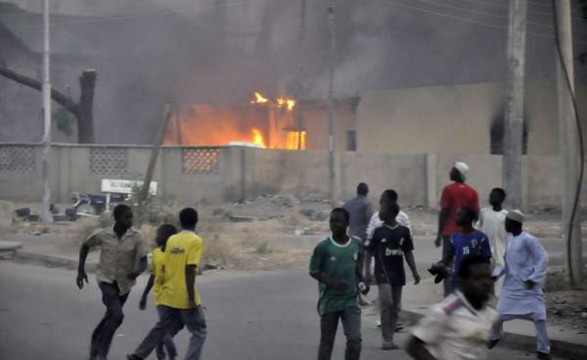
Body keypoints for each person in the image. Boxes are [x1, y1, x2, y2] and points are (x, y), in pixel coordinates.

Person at [128, 208, 207, 360]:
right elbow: (189, 269)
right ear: (196, 221)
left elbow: (167, 267)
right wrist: (191, 299)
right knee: (199, 331)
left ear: (180, 222)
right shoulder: (196, 241)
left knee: (167, 326)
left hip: (169, 295)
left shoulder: (172, 240)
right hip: (185, 295)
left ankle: (140, 354)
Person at [76, 204, 149, 360]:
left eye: (131, 216)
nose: (131, 220)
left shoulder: (137, 237)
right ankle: (102, 353)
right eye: (127, 217)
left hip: (125, 284)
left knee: (111, 316)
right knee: (117, 316)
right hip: (106, 280)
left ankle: (95, 343)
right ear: (117, 218)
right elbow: (85, 246)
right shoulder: (103, 234)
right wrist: (80, 270)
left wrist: (137, 272)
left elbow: (144, 261)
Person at [405, 255, 497, 360]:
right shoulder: (447, 311)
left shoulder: (489, 312)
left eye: (489, 278)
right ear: (463, 282)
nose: (486, 283)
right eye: (478, 278)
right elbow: (414, 346)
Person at [489, 210, 551, 360]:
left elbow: (543, 258)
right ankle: (494, 336)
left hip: (528, 288)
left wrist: (534, 278)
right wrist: (495, 275)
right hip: (511, 288)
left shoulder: (528, 240)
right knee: (498, 316)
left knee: (539, 318)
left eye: (507, 222)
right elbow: (505, 263)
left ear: (515, 224)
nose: (505, 225)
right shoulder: (509, 240)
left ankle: (543, 351)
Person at [309, 208, 369, 360]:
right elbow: (313, 271)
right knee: (326, 343)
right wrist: (333, 283)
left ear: (347, 223)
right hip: (330, 301)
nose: (334, 224)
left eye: (338, 221)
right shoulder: (323, 247)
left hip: (350, 300)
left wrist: (362, 283)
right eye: (332, 220)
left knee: (355, 339)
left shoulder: (356, 244)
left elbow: (357, 268)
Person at [365, 202, 420, 350]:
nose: (380, 212)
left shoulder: (403, 232)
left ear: (391, 213)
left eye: (383, 209)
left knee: (396, 306)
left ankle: (389, 336)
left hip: (398, 273)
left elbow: (408, 252)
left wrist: (414, 271)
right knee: (387, 303)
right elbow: (368, 252)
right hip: (382, 273)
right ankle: (386, 339)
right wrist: (367, 271)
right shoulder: (378, 232)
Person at [365, 189, 412, 329]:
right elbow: (370, 237)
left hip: (396, 261)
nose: (380, 200)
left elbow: (408, 239)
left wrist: (412, 268)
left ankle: (392, 321)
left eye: (383, 198)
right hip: (380, 260)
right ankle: (385, 323)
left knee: (395, 299)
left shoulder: (403, 217)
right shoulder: (375, 217)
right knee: (386, 294)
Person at [435, 162, 479, 296]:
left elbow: (443, 213)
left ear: (458, 173)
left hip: (449, 234)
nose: (450, 172)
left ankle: (449, 295)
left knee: (447, 264)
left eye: (452, 170)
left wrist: (439, 234)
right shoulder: (472, 192)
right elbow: (476, 215)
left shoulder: (448, 190)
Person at [138, 224, 181, 360]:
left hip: (176, 295)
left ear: (169, 238)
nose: (156, 237)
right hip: (162, 297)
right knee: (164, 326)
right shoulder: (156, 253)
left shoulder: (177, 253)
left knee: (176, 324)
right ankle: (170, 354)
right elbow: (153, 275)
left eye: (159, 235)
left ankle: (159, 344)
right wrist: (144, 295)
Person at [445, 207, 492, 293]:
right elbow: (449, 257)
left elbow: (486, 261)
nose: (456, 218)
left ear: (468, 219)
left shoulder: (481, 238)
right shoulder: (454, 237)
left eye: (459, 215)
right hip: (458, 279)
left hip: (475, 280)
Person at [477, 188, 508, 268]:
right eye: (490, 196)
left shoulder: (506, 215)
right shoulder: (484, 212)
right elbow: (478, 227)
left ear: (501, 198)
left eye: (493, 196)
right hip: (485, 251)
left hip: (500, 251)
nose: (490, 198)